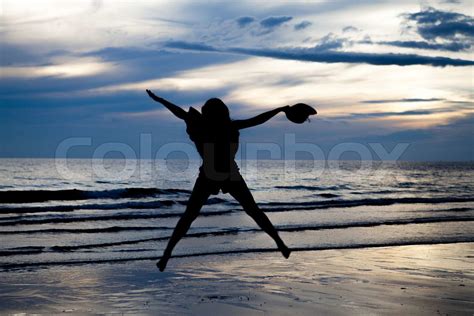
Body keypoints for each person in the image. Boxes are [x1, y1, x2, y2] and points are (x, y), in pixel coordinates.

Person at [146, 89, 292, 272]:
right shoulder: (229, 126)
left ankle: (166, 256)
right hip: (229, 174)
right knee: (253, 211)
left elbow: (179, 113)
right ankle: (280, 243)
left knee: (189, 216)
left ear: (207, 113)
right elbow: (257, 120)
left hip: (210, 175)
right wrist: (278, 109)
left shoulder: (201, 125)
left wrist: (160, 100)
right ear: (224, 112)